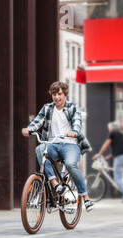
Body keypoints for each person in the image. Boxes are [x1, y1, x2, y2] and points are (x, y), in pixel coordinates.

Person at [22, 81, 95, 212]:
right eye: (54, 94)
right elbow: (37, 121)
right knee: (39, 149)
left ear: (65, 94)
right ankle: (56, 185)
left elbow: (77, 122)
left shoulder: (72, 107)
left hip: (70, 144)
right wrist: (29, 129)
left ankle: (86, 198)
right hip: (53, 144)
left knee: (72, 164)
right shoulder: (48, 108)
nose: (57, 97)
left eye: (59, 94)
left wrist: (75, 132)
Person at [93, 122, 123, 202]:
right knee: (119, 174)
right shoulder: (121, 135)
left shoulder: (112, 134)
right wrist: (108, 157)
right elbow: (120, 149)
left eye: (109, 129)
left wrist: (99, 154)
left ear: (110, 129)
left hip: (120, 158)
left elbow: (106, 145)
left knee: (117, 178)